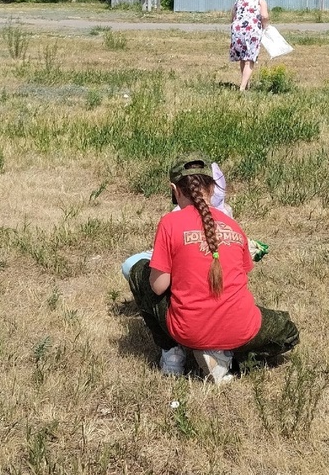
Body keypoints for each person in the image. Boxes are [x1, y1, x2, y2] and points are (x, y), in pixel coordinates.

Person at [124, 156, 297, 383]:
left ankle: (172, 354)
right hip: (241, 327)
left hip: (188, 330)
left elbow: (158, 288)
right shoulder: (234, 225)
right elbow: (240, 275)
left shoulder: (169, 222)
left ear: (174, 190)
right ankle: (230, 359)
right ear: (213, 188)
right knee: (288, 333)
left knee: (139, 271)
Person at [230, 0, 269, 91]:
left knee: (242, 58)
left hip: (237, 30)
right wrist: (266, 28)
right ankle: (242, 87)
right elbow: (264, 16)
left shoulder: (238, 0)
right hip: (252, 30)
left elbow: (232, 16)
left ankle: (245, 84)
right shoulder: (260, 0)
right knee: (250, 59)